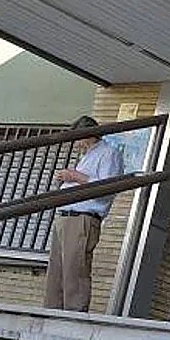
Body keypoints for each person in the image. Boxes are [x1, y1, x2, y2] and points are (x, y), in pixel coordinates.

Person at [43, 115, 125, 312]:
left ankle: (74, 315)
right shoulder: (89, 155)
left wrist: (74, 176)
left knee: (74, 269)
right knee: (57, 271)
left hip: (82, 219)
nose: (77, 144)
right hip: (66, 216)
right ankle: (52, 312)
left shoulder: (108, 153)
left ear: (87, 135)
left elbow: (105, 188)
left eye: (78, 138)